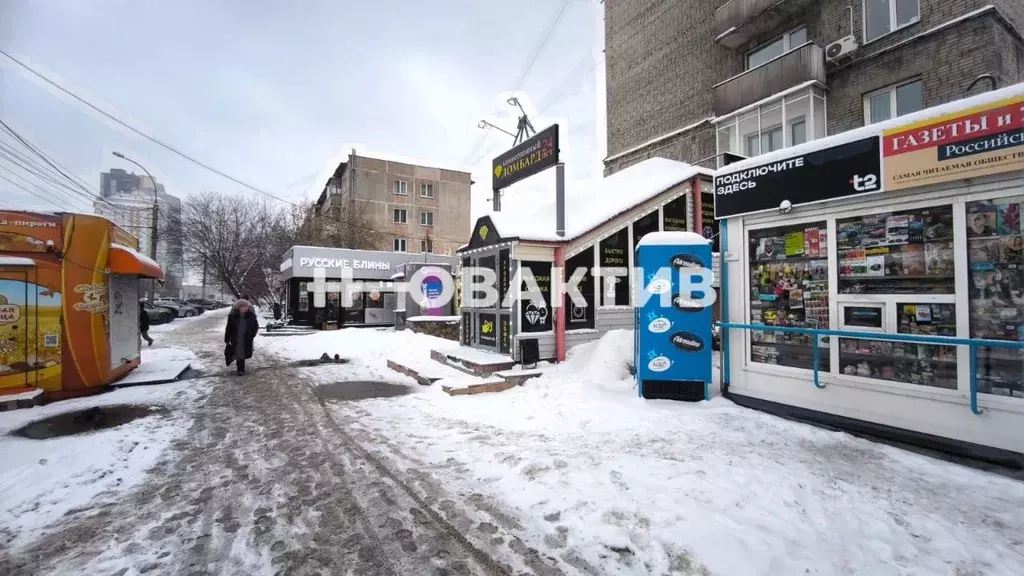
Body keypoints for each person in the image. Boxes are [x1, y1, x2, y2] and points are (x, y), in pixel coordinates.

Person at [225, 299, 259, 375]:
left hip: (246, 338)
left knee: (243, 353)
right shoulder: (233, 316)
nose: (245, 308)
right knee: (239, 353)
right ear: (239, 307)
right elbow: (228, 328)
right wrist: (226, 339)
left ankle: (240, 367)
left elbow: (256, 326)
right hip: (236, 338)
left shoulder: (251, 316)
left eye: (246, 306)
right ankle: (240, 369)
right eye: (243, 306)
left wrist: (252, 334)